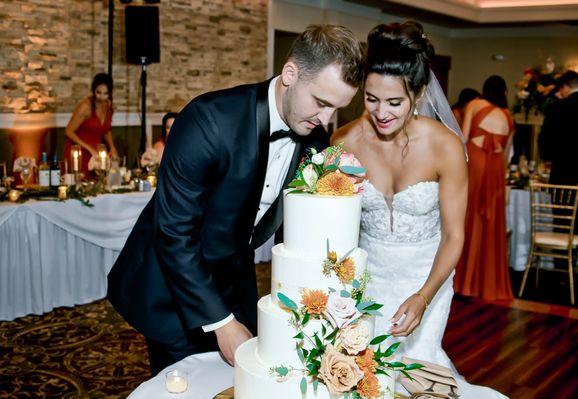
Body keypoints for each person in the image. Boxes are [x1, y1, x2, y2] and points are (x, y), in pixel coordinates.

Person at [107, 25, 363, 375]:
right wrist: (221, 323)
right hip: (170, 284)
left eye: (336, 108)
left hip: (234, 276)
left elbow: (295, 232)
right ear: (290, 73)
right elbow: (173, 233)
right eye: (321, 102)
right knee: (185, 385)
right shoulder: (209, 121)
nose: (326, 120)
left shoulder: (315, 141)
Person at [332, 22, 506, 399]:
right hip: (365, 280)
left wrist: (424, 296)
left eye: (395, 102)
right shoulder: (343, 142)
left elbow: (454, 235)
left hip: (428, 277)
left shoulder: (445, 147)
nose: (381, 112)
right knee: (363, 379)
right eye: (371, 99)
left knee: (418, 374)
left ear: (420, 93)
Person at [455, 75, 514, 301]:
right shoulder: (508, 117)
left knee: (468, 219)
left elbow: (464, 138)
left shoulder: (475, 104)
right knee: (491, 225)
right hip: (497, 170)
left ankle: (464, 282)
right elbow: (507, 154)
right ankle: (488, 283)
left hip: (476, 164)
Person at [538, 70, 578, 289]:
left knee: (563, 227)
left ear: (564, 88)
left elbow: (544, 148)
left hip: (564, 179)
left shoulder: (556, 109)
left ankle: (563, 278)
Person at [64, 73, 118, 177]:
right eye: (98, 92)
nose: (102, 97)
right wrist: (89, 149)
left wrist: (112, 146)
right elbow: (68, 131)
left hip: (97, 154)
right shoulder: (85, 107)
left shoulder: (108, 105)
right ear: (93, 90)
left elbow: (105, 129)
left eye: (105, 93)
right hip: (79, 153)